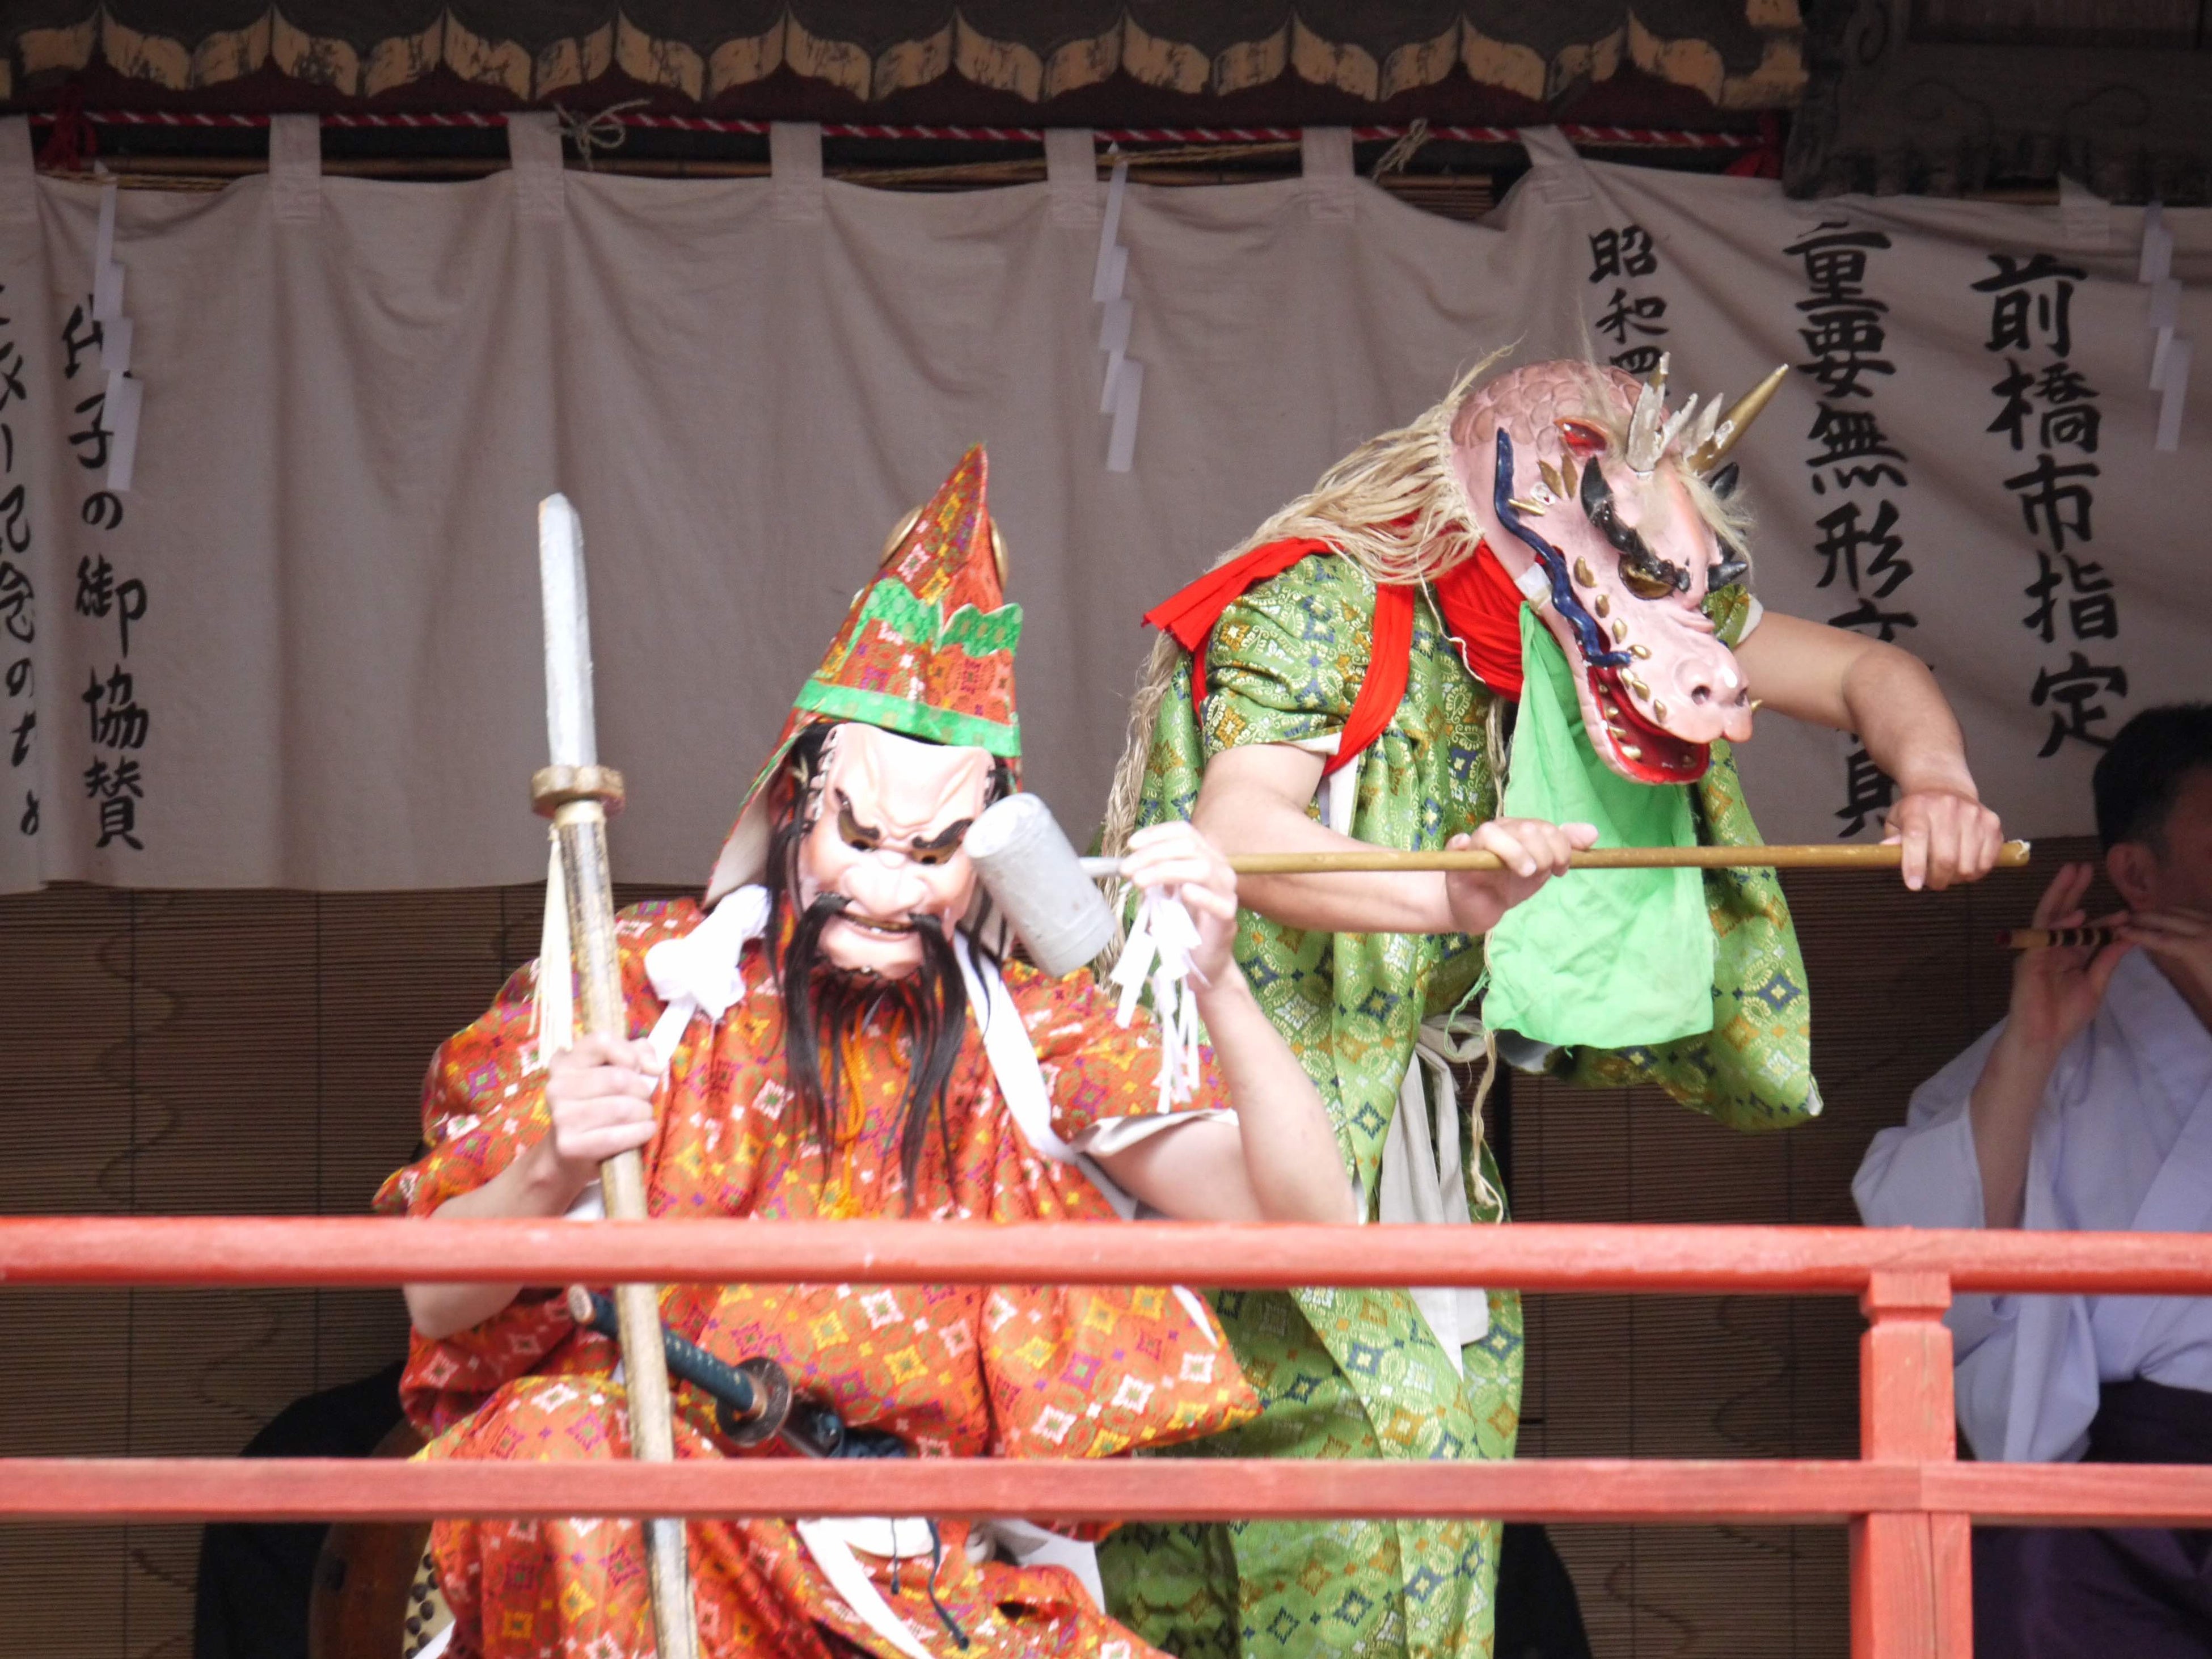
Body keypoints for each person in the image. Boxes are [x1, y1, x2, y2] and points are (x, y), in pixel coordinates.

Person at [375, 448, 1367, 1659]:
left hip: (912, 1572)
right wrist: (549, 1166)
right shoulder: (645, 983)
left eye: (935, 852)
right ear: (790, 805)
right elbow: (436, 1295)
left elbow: (1314, 1224)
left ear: (987, 857)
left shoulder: (1028, 1036)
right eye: (859, 835)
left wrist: (1220, 986)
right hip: (664, 1537)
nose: (892, 887)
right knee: (558, 1447)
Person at [1097, 355, 2006, 1659]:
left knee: (1446, 1480)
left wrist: (1935, 776)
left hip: (1419, 1130)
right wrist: (1452, 897)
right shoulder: (1329, 594)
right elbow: (1242, 827)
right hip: (1233, 1103)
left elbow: (1868, 673)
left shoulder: (1644, 596)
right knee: (1306, 1491)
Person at [1856, 702, 2212, 1658]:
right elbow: (1932, 1259)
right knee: (2024, 1592)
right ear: (2138, 874)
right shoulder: (2053, 1046)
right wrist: (2032, 1049)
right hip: (2120, 1497)